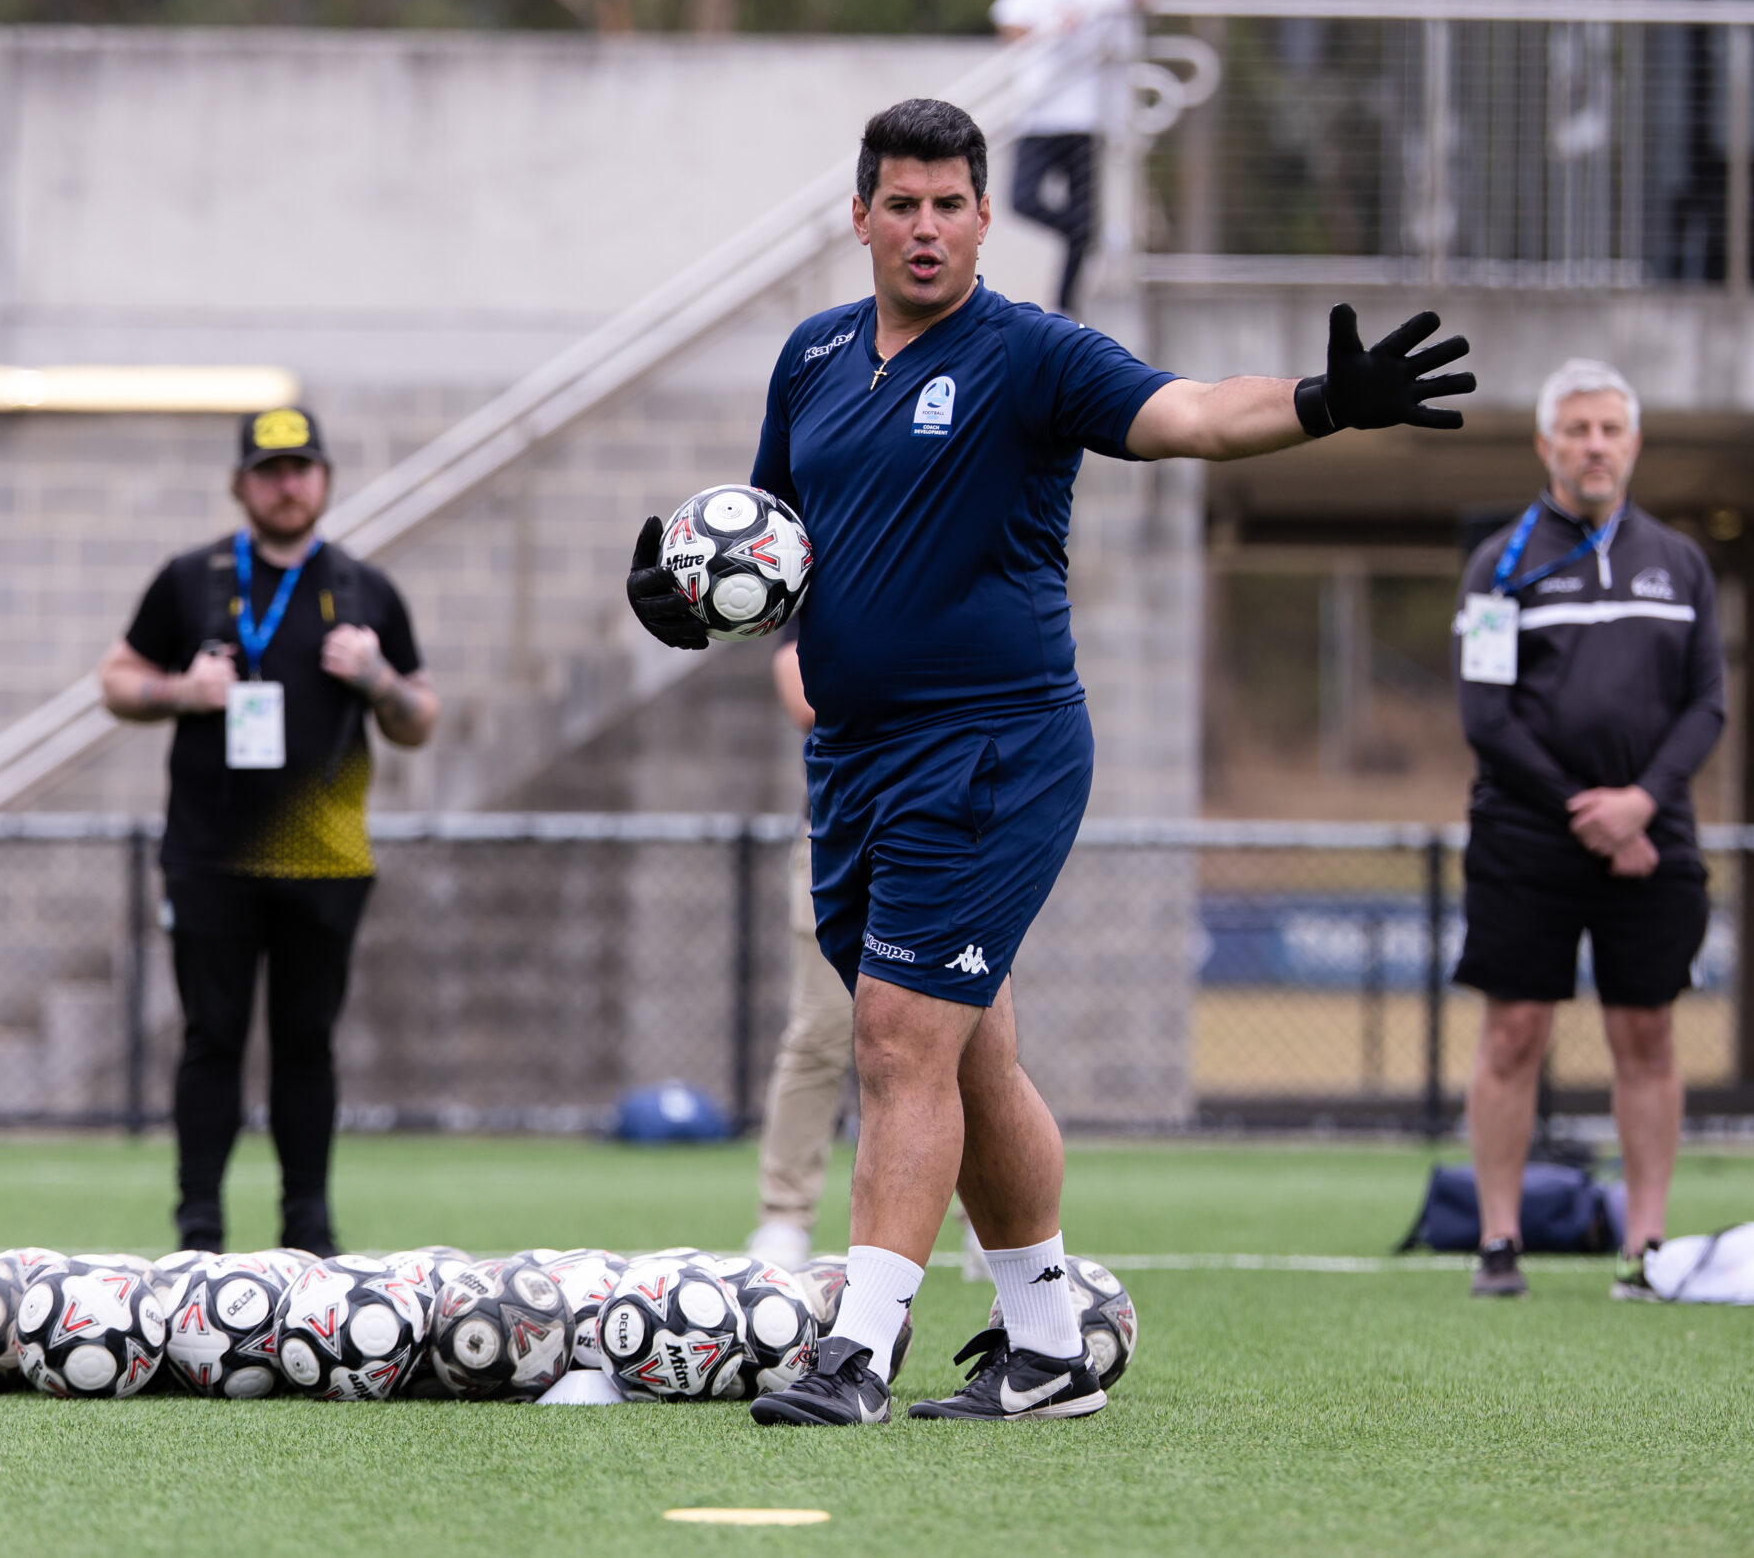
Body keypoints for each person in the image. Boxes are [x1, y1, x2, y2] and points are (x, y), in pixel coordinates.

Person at [625, 98, 1472, 1425]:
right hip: (854, 758)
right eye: (900, 202)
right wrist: (700, 596)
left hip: (993, 747)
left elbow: (1188, 412)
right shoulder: (811, 358)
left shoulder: (1031, 354)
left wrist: (1320, 402)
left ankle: (855, 1351)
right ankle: (1049, 1339)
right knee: (965, 1054)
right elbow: (772, 542)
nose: (925, 226)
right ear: (860, 216)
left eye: (950, 202)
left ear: (981, 215)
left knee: (897, 1036)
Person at [98, 406, 439, 1257]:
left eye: (302, 468)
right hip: (209, 855)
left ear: (324, 478)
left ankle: (307, 1228)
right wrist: (180, 691)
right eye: (271, 470)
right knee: (211, 1037)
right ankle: (199, 1227)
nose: (288, 485)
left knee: (307, 1043)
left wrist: (379, 677)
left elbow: (421, 717)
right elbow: (115, 678)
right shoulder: (192, 578)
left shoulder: (365, 589)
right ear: (241, 483)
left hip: (326, 859)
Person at [1452, 359, 1722, 1302]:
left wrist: (1641, 805)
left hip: (1656, 838)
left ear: (1633, 442)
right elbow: (1486, 716)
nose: (1595, 445)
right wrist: (1591, 814)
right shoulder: (1500, 562)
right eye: (1577, 429)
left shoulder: (1682, 563)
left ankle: (1644, 1248)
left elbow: (1706, 706)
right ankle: (1497, 1241)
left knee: (1645, 1033)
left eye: (1610, 428)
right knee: (1514, 1032)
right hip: (1527, 840)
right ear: (1546, 444)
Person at [988, 0, 1157, 315]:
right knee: (1023, 199)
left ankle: (1066, 306)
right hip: (1043, 107)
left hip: (1093, 114)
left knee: (1081, 218)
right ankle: (1094, 235)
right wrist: (1054, 27)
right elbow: (1009, 23)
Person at [743, 631, 850, 1274]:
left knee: (963, 1040)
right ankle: (784, 1215)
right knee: (821, 1032)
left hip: (947, 826)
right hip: (836, 832)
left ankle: (990, 1222)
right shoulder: (823, 545)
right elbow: (801, 691)